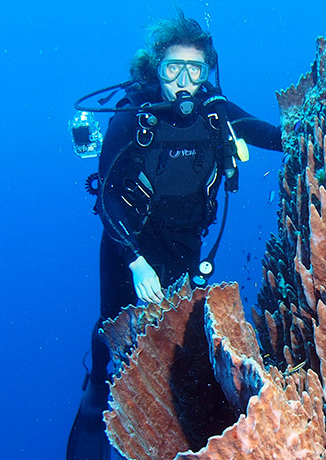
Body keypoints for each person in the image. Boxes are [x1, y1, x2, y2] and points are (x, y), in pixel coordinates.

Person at [67, 12, 283, 460]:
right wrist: (135, 262)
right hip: (130, 248)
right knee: (113, 331)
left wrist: (323, 121)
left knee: (180, 336)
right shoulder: (133, 120)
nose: (183, 82)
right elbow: (106, 199)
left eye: (194, 70)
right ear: (157, 69)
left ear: (207, 72)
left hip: (186, 245)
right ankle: (95, 403)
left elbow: (271, 136)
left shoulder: (215, 112)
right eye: (173, 69)